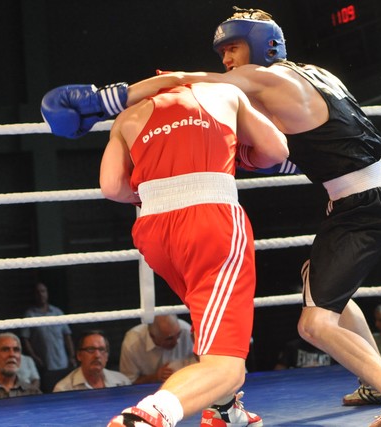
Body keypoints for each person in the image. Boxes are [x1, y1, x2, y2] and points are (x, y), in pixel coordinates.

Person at [40, 7, 381, 427]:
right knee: (319, 286)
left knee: (314, 325)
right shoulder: (312, 75)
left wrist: (104, 100)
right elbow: (314, 143)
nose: (227, 59)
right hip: (357, 197)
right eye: (222, 53)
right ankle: (358, 380)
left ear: (263, 45)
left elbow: (188, 82)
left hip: (359, 205)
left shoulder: (263, 79)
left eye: (233, 48)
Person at [42, 77, 288, 426]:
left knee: (211, 321)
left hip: (155, 231)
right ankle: (150, 415)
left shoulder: (127, 117)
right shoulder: (223, 92)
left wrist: (159, 193)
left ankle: (224, 410)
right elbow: (277, 151)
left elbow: (111, 187)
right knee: (227, 365)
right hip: (211, 222)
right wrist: (240, 155)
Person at [120, 315, 197, 384]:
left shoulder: (187, 332)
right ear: (152, 336)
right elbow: (128, 382)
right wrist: (155, 377)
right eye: (169, 338)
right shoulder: (132, 344)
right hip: (146, 390)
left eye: (178, 335)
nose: (177, 342)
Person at [19, 282, 77, 373]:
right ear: (34, 295)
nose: (41, 294)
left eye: (43, 291)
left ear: (47, 293)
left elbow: (67, 336)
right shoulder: (30, 315)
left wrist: (72, 356)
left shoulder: (57, 312)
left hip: (62, 362)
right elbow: (25, 338)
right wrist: (34, 357)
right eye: (38, 292)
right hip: (44, 365)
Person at [53, 330, 131, 392]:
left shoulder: (122, 382)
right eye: (90, 349)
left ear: (107, 356)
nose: (97, 355)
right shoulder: (63, 390)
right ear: (79, 355)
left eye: (101, 349)